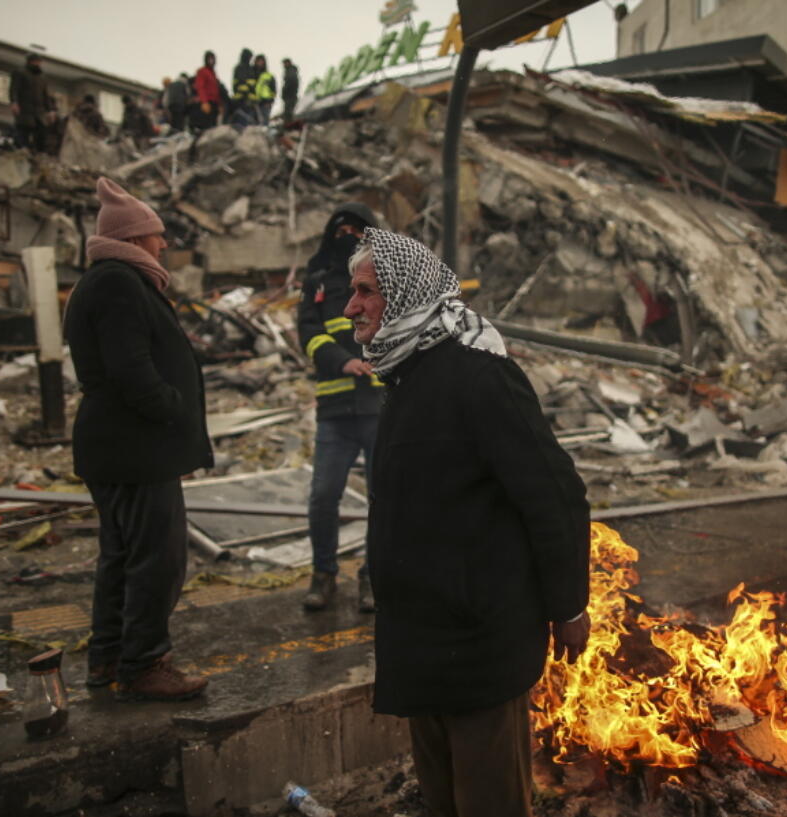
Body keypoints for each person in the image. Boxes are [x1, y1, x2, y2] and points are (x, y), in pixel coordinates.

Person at [345, 228, 591, 817]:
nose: (351, 306)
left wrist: (568, 606)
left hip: (479, 642)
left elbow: (555, 495)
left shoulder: (481, 376)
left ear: (403, 296)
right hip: (421, 644)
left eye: (365, 291)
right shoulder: (405, 374)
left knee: (489, 803)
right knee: (443, 802)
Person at [63, 178, 213, 701]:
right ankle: (145, 664)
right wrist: (174, 410)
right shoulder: (117, 283)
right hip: (134, 450)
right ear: (132, 239)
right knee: (158, 560)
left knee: (122, 558)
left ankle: (108, 660)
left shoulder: (112, 280)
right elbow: (131, 369)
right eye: (156, 234)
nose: (164, 243)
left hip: (123, 448)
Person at [296, 204, 381, 612]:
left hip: (379, 406)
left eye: (357, 229)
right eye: (341, 228)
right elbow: (308, 334)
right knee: (323, 496)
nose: (348, 234)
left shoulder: (384, 278)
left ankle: (373, 578)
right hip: (335, 409)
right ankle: (323, 574)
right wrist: (341, 361)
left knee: (382, 499)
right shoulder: (316, 280)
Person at [9, 53, 56, 152]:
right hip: (24, 111)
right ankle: (23, 151)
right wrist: (14, 102)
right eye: (36, 61)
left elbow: (45, 95)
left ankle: (39, 154)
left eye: (39, 62)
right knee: (23, 134)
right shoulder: (20, 73)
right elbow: (14, 89)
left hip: (39, 113)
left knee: (41, 135)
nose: (38, 64)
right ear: (30, 61)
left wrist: (50, 110)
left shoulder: (42, 77)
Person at [193, 51, 222, 130]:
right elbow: (200, 87)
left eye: (213, 59)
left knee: (214, 125)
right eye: (209, 59)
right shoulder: (202, 71)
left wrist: (219, 104)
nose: (211, 61)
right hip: (207, 102)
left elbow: (217, 90)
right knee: (206, 125)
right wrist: (204, 101)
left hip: (214, 103)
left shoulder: (213, 74)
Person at [231, 48, 257, 123]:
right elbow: (237, 84)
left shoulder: (250, 68)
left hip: (250, 100)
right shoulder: (240, 68)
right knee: (242, 120)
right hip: (241, 99)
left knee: (248, 120)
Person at [252, 54, 276, 125]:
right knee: (254, 121)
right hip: (254, 101)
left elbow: (273, 90)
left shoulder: (269, 75)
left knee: (264, 121)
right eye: (258, 61)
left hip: (266, 102)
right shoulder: (251, 73)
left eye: (261, 61)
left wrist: (270, 101)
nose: (260, 63)